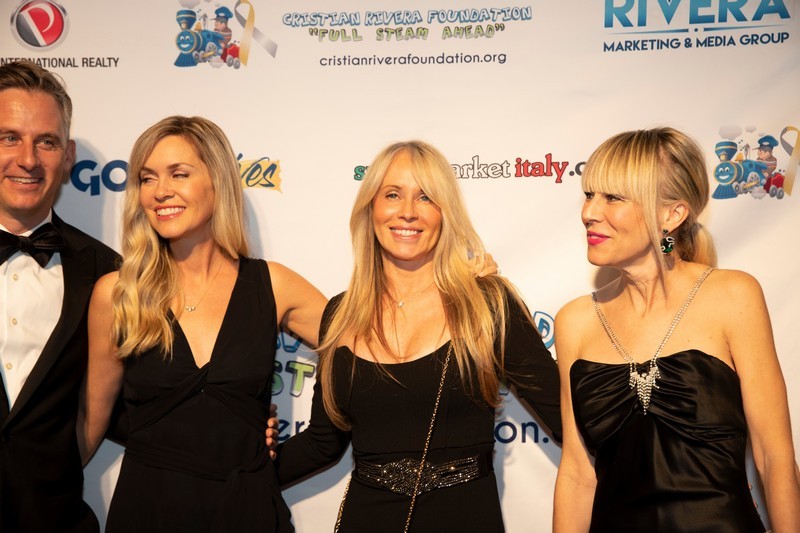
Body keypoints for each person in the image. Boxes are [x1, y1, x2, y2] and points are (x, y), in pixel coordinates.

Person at [275, 140, 562, 532]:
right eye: (392, 194)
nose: (407, 211)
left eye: (426, 197)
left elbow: (568, 421)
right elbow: (323, 443)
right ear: (370, 209)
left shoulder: (487, 304)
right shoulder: (341, 314)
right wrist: (232, 477)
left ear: (445, 213)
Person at [82, 115, 327, 532]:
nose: (160, 191)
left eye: (179, 174)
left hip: (246, 512)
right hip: (149, 512)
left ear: (218, 180)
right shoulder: (119, 293)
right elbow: (92, 421)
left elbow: (361, 348)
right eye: (147, 178)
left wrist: (315, 443)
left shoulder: (273, 285)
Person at [553, 127, 800, 532]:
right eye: (589, 194)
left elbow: (774, 458)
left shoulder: (733, 295)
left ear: (672, 214)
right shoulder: (575, 320)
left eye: (613, 197)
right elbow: (578, 474)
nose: (589, 212)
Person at [0, 60, 118, 532]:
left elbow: (153, 395)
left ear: (67, 157)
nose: (28, 159)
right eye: (9, 137)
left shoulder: (108, 273)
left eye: (46, 141)